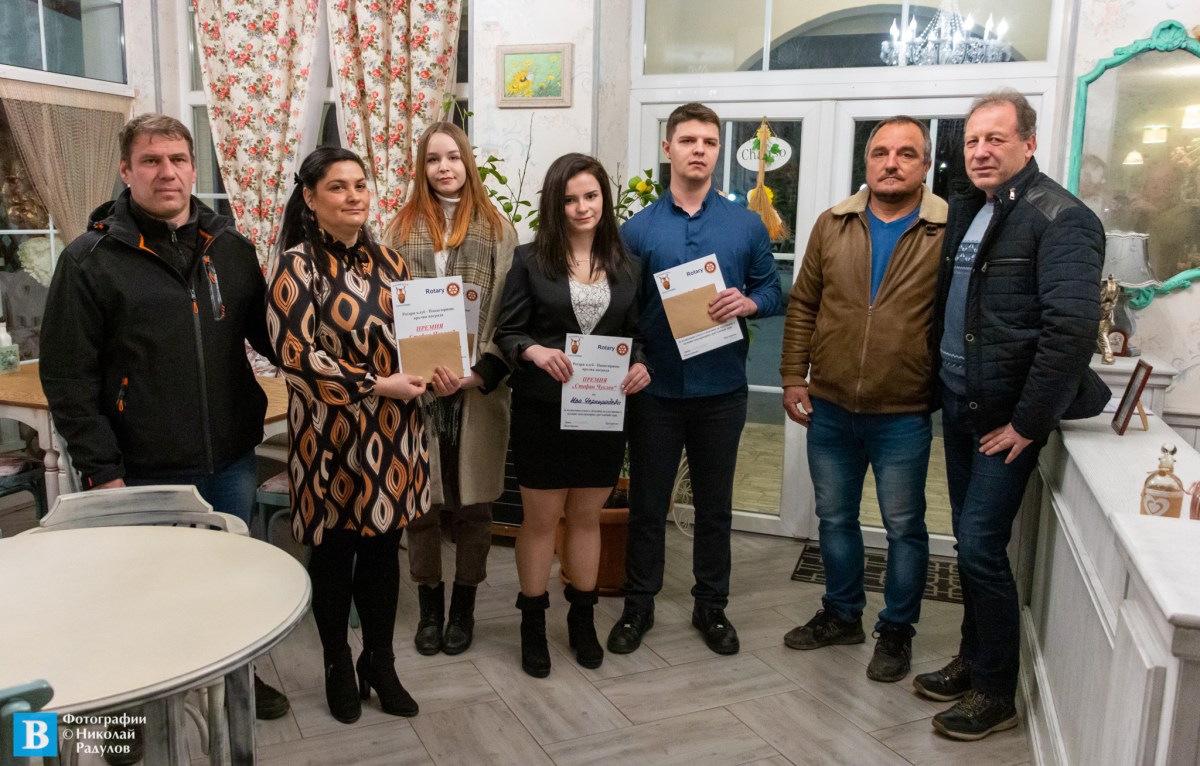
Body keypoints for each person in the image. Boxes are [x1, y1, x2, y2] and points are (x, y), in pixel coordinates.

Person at [39, 114, 290, 763]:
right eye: (151, 160)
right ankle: (130, 709)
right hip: (139, 467)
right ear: (127, 171)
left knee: (229, 580)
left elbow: (270, 336)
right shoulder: (88, 261)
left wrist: (345, 360)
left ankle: (232, 676)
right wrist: (103, 472)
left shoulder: (229, 247)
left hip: (229, 458)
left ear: (193, 168)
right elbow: (67, 379)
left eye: (178, 159)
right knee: (139, 595)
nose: (167, 172)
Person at [917, 90, 1108, 740]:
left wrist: (1028, 423)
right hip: (961, 405)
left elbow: (1071, 330)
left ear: (1029, 142)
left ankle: (996, 691)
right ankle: (973, 661)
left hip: (1005, 420)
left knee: (979, 546)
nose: (980, 151)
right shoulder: (976, 207)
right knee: (967, 543)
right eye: (972, 140)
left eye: (995, 139)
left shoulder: (1062, 217)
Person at [608, 103, 782, 657]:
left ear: (718, 150)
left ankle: (712, 606)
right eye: (687, 140)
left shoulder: (745, 224)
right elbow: (622, 312)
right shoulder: (637, 230)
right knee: (647, 506)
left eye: (708, 141)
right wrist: (634, 358)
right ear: (668, 149)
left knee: (715, 507)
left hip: (722, 391)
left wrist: (749, 303)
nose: (699, 150)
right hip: (655, 392)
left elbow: (774, 291)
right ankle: (638, 605)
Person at [779, 116, 947, 683]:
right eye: (880, 152)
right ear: (867, 161)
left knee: (904, 526)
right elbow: (804, 304)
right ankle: (842, 614)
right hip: (829, 408)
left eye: (906, 153)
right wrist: (793, 376)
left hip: (903, 411)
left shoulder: (946, 228)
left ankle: (896, 631)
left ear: (925, 164)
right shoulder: (833, 223)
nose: (890, 163)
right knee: (834, 518)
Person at [268, 146, 428, 724]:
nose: (354, 195)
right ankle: (337, 660)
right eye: (338, 187)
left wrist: (437, 367)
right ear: (310, 199)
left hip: (393, 433)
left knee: (383, 551)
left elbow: (420, 340)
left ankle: (380, 663)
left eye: (360, 184)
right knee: (334, 551)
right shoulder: (295, 266)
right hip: (328, 436)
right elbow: (295, 357)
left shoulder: (393, 263)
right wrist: (377, 383)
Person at [494, 153, 651, 677]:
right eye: (569, 199)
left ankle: (582, 620)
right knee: (540, 521)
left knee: (586, 518)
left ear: (604, 199)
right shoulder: (529, 260)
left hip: (602, 412)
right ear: (554, 205)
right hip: (542, 409)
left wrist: (641, 365)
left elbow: (638, 336)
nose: (582, 207)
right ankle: (532, 624)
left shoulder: (629, 265)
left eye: (591, 196)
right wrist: (535, 351)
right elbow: (508, 332)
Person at [383, 122, 518, 658]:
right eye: (434, 159)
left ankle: (464, 607)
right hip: (416, 389)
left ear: (468, 163)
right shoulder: (397, 229)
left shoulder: (497, 228)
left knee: (474, 505)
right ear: (422, 167)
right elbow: (385, 308)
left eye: (453, 157)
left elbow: (509, 309)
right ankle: (429, 607)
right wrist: (412, 369)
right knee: (420, 505)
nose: (444, 167)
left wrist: (477, 371)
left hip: (476, 388)